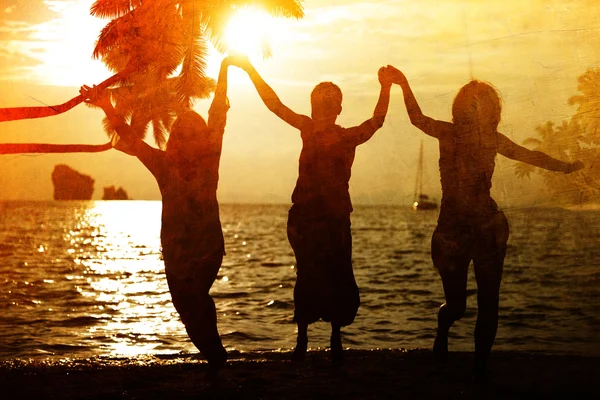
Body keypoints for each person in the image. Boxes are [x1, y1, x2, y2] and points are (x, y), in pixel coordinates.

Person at [388, 66, 584, 380]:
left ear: (492, 111)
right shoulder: (446, 133)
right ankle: (443, 332)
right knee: (456, 307)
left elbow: (530, 155)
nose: (477, 111)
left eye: (484, 105)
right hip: (452, 231)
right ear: (460, 110)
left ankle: (480, 365)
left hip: (488, 227)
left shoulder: (493, 139)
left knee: (489, 300)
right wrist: (402, 82)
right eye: (471, 105)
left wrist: (567, 168)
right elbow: (416, 118)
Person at [230, 56, 393, 367]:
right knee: (307, 275)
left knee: (338, 274)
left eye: (328, 104)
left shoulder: (348, 137)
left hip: (335, 219)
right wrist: (250, 70)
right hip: (305, 218)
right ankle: (302, 335)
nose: (321, 109)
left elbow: (378, 119)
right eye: (318, 103)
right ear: (313, 106)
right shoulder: (306, 128)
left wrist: (385, 87)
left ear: (337, 110)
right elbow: (274, 105)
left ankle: (335, 336)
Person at [79, 57, 235, 377]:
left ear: (201, 137)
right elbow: (133, 141)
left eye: (194, 133)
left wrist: (225, 68)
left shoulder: (210, 159)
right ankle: (216, 356)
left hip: (205, 249)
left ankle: (217, 359)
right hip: (177, 252)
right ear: (177, 139)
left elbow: (218, 111)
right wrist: (108, 108)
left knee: (197, 299)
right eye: (183, 133)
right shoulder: (164, 165)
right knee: (187, 311)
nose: (189, 138)